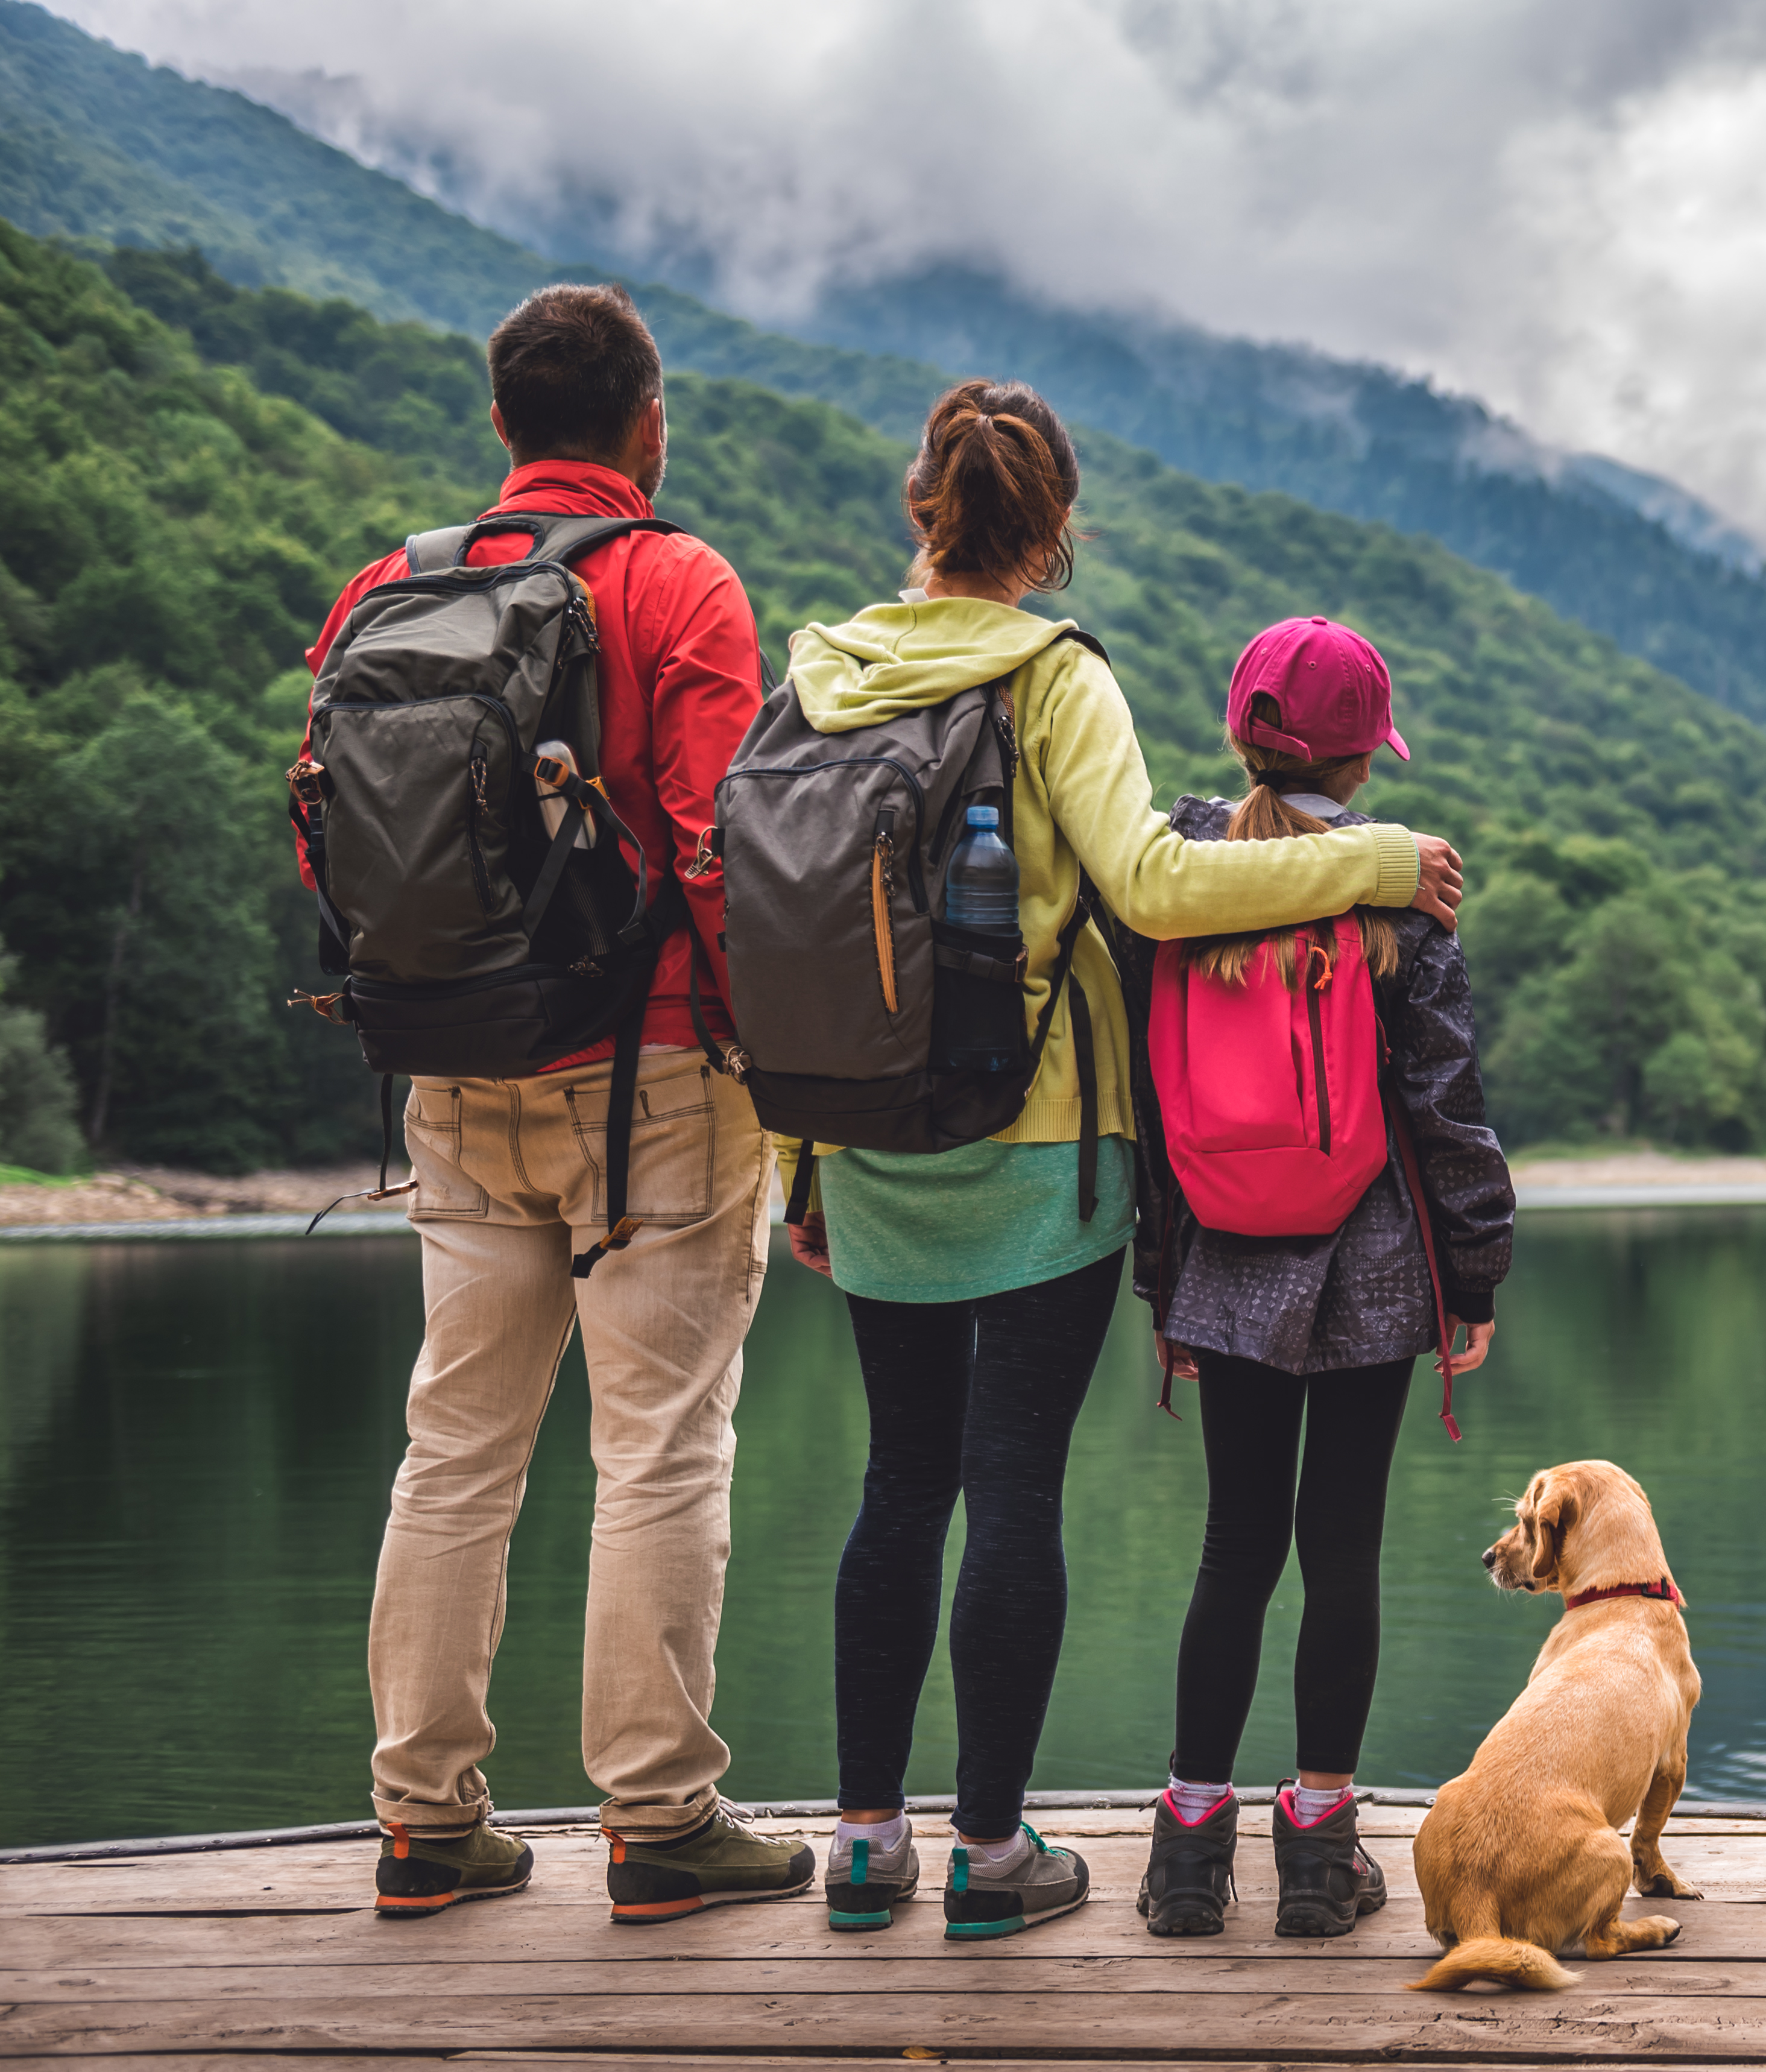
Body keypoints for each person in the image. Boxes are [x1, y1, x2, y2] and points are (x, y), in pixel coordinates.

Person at [787, 387, 1467, 1942]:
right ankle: (988, 1856)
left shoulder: (825, 670)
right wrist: (1378, 859)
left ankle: (866, 1845)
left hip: (864, 1140)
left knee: (897, 1483)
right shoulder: (1051, 673)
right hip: (1037, 1148)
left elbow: (792, 919)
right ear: (1056, 529)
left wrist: (797, 1160)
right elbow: (1155, 889)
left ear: (920, 509)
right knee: (1011, 1484)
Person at [307, 285, 819, 1921]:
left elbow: (329, 834)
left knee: (452, 1448)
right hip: (655, 1073)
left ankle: (423, 1824)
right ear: (647, 426)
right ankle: (661, 1825)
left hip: (452, 1073)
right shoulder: (678, 580)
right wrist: (772, 1066)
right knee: (657, 1449)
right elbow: (715, 856)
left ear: (504, 428)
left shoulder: (385, 591)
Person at [1138, 617, 1515, 1942]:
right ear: (1363, 761)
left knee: (1231, 1546)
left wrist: (1160, 1287)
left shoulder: (1176, 879)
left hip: (1224, 1259)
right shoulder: (1402, 894)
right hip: (1367, 1265)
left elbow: (1151, 1108)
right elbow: (1445, 1106)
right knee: (1338, 1548)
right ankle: (1316, 1851)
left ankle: (1186, 1850)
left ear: (1241, 727)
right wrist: (1473, 1277)